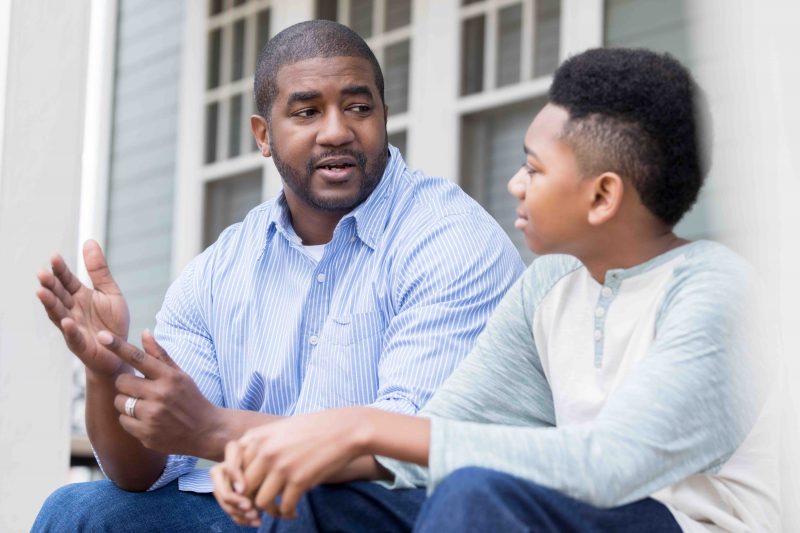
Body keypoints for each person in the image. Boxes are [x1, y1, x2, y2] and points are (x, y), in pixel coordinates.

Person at [212, 47, 780, 532]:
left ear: (602, 196)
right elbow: (445, 435)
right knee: (318, 497)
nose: (515, 184)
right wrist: (290, 451)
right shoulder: (551, 285)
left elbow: (609, 464)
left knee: (476, 494)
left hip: (681, 522)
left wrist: (361, 427)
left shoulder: (715, 291)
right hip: (567, 512)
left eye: (534, 169)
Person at [32, 20, 523, 531]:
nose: (337, 131)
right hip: (259, 510)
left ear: (384, 114)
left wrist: (211, 429)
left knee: (309, 503)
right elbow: (144, 472)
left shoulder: (449, 238)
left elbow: (409, 447)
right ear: (263, 135)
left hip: (401, 512)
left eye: (359, 108)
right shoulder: (223, 269)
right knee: (79, 511)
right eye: (307, 112)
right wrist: (106, 370)